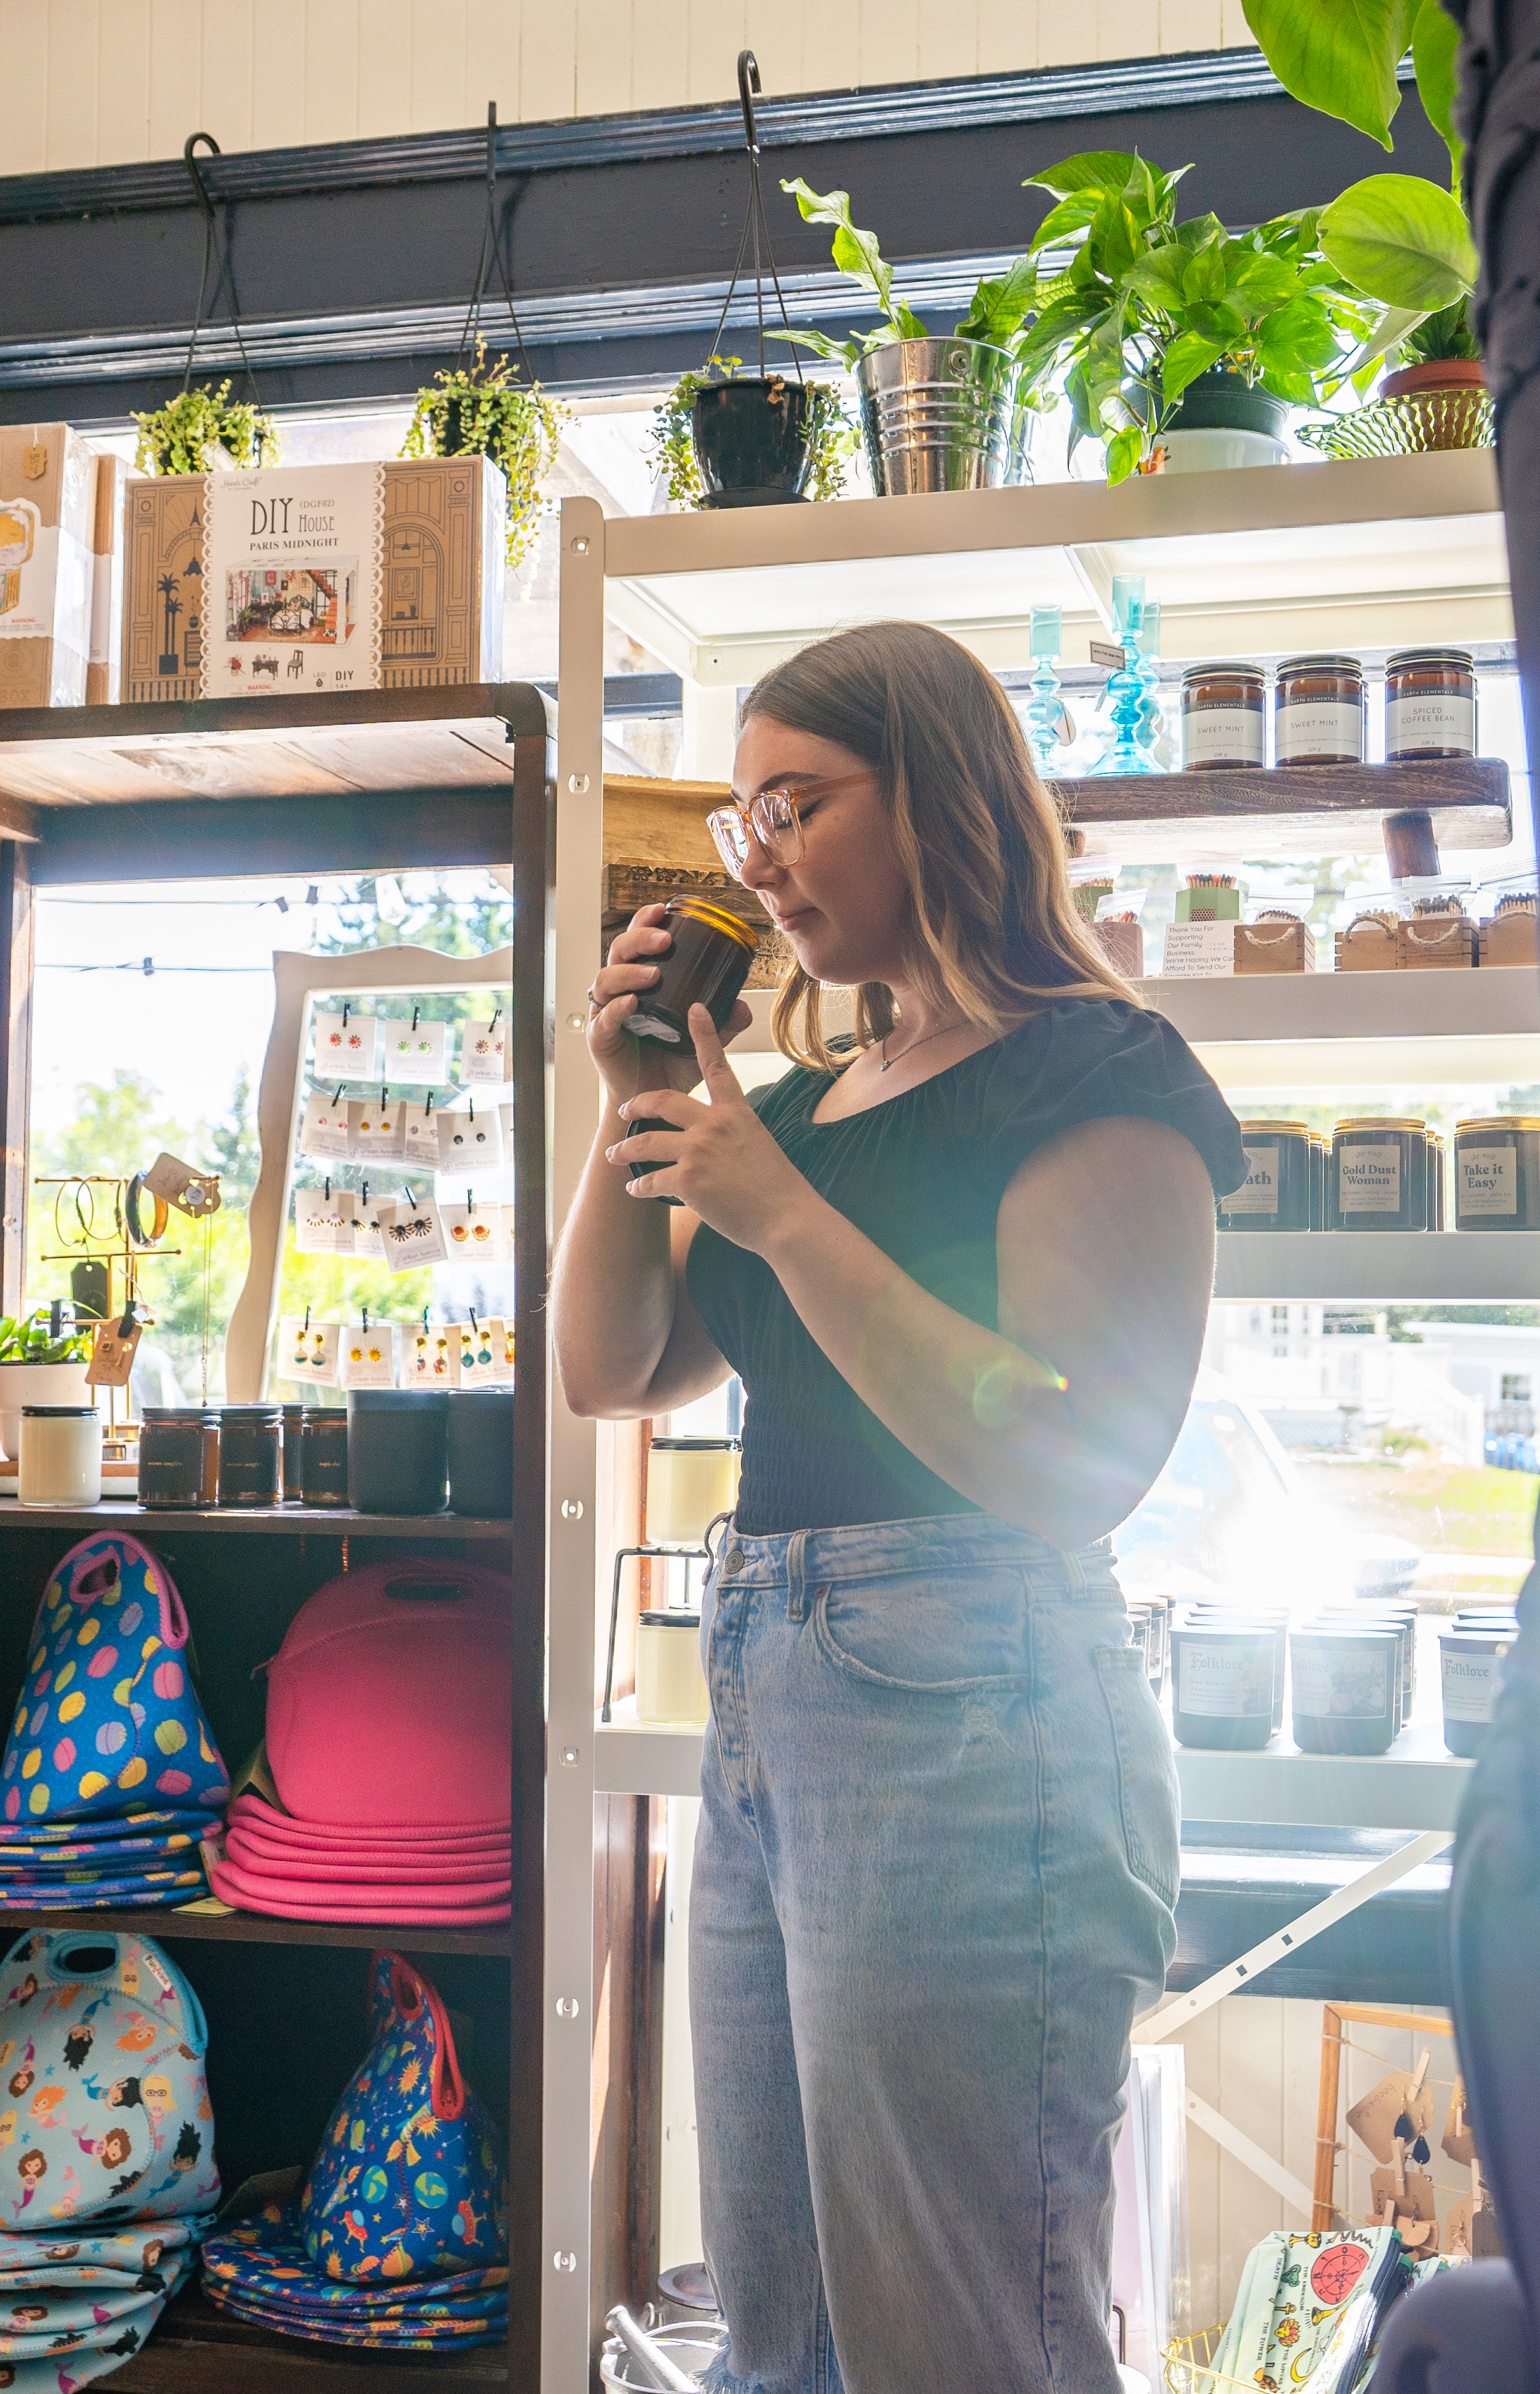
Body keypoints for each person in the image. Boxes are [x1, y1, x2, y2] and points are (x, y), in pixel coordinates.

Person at [552, 620, 1245, 2393]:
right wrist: (632, 1112)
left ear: (937, 794)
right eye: (739, 821)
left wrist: (779, 1208)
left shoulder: (1097, 1072)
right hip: (777, 1692)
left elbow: (1076, 1459)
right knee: (782, 2331)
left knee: (957, 2335)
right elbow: (615, 1368)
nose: (757, 855)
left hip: (972, 1707)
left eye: (796, 802)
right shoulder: (804, 1106)